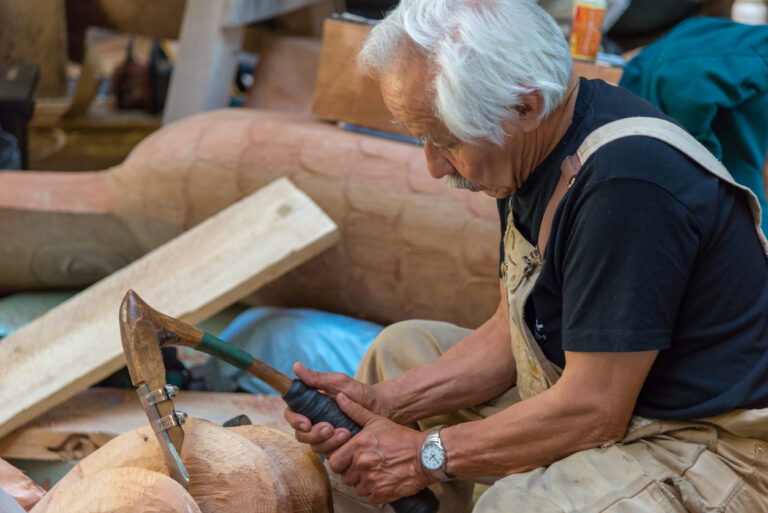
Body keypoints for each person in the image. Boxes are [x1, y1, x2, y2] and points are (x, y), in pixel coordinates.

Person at [284, 1, 768, 511]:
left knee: (517, 506)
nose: (433, 165)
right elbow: (510, 330)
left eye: (445, 139)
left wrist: (425, 453)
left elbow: (594, 409)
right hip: (609, 403)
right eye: (423, 137)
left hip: (708, 447)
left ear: (526, 106)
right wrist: (385, 403)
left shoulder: (625, 184)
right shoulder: (528, 150)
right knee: (399, 352)